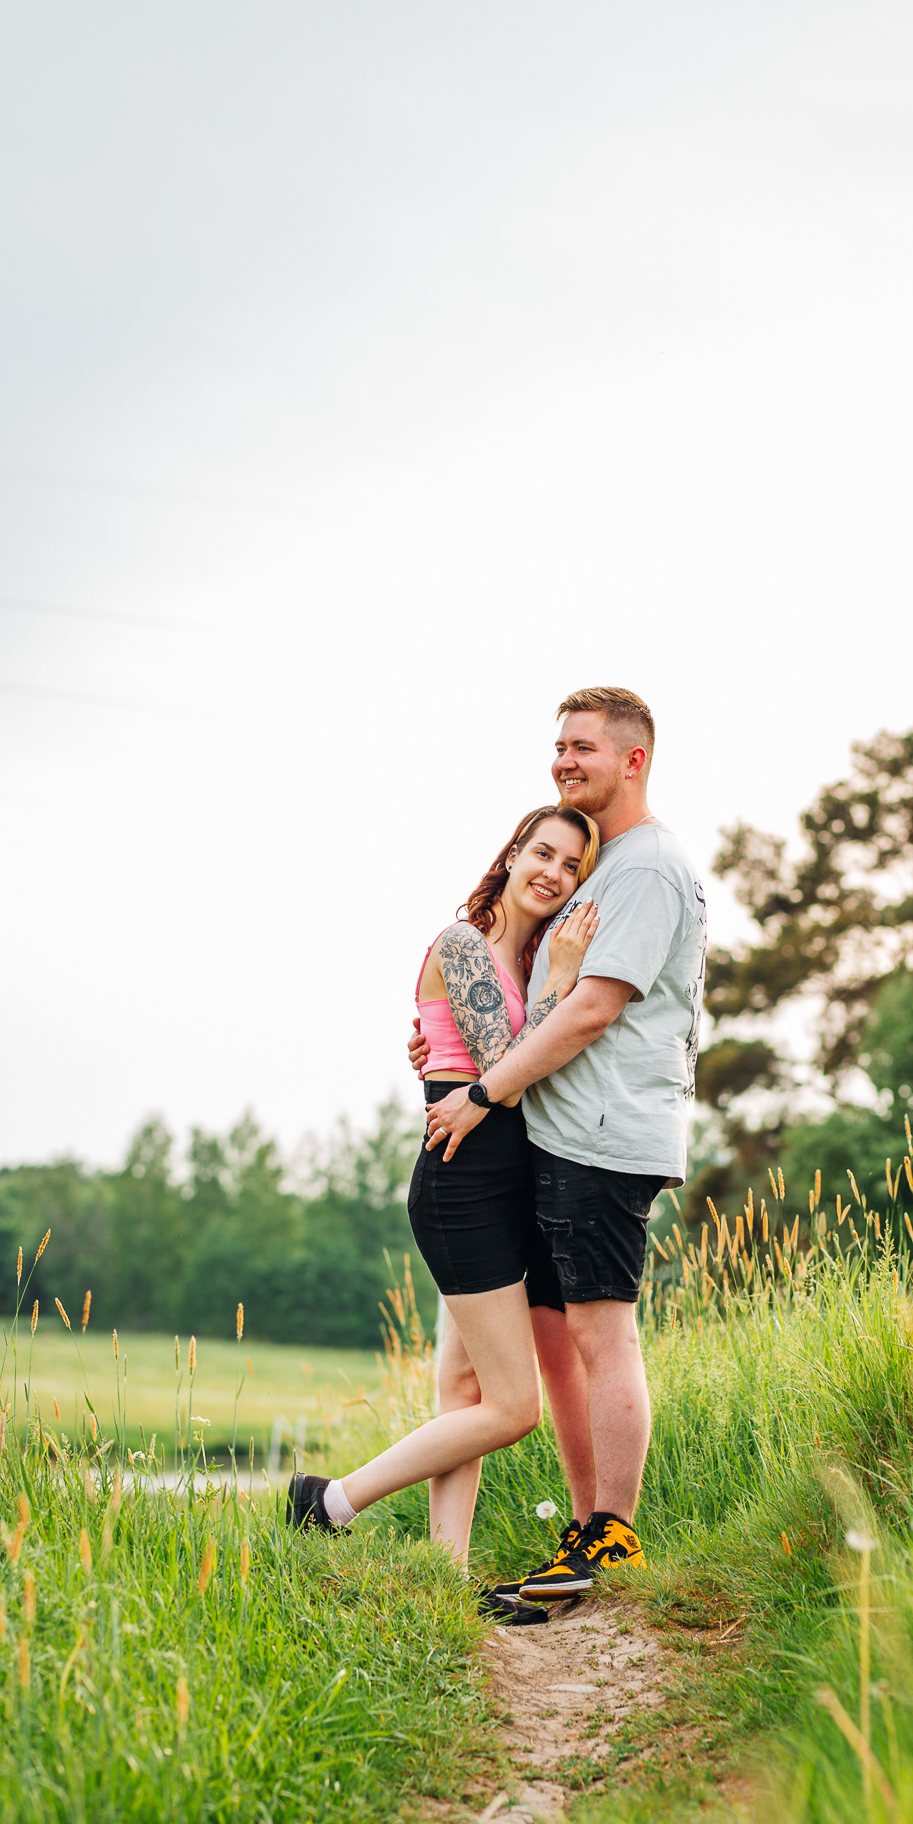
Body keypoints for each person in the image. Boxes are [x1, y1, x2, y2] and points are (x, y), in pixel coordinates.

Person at [417, 687, 706, 1604]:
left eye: (583, 747)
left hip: (603, 1137)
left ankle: (609, 1534)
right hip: (558, 1135)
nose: (564, 761)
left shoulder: (646, 868)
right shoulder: (603, 864)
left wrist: (480, 1092)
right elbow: (513, 1002)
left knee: (600, 1333)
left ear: (633, 759)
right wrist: (446, 1051)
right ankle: (583, 1532)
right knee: (558, 1340)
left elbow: (589, 1010)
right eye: (559, 746)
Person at [286, 804, 601, 1612]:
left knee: (463, 1389)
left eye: (572, 866)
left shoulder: (523, 960)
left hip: (505, 1188)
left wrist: (547, 978)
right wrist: (560, 981)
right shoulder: (465, 944)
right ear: (512, 854)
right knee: (513, 1407)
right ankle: (329, 1502)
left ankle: (443, 1575)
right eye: (543, 853)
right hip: (465, 1188)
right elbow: (505, 1070)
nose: (554, 874)